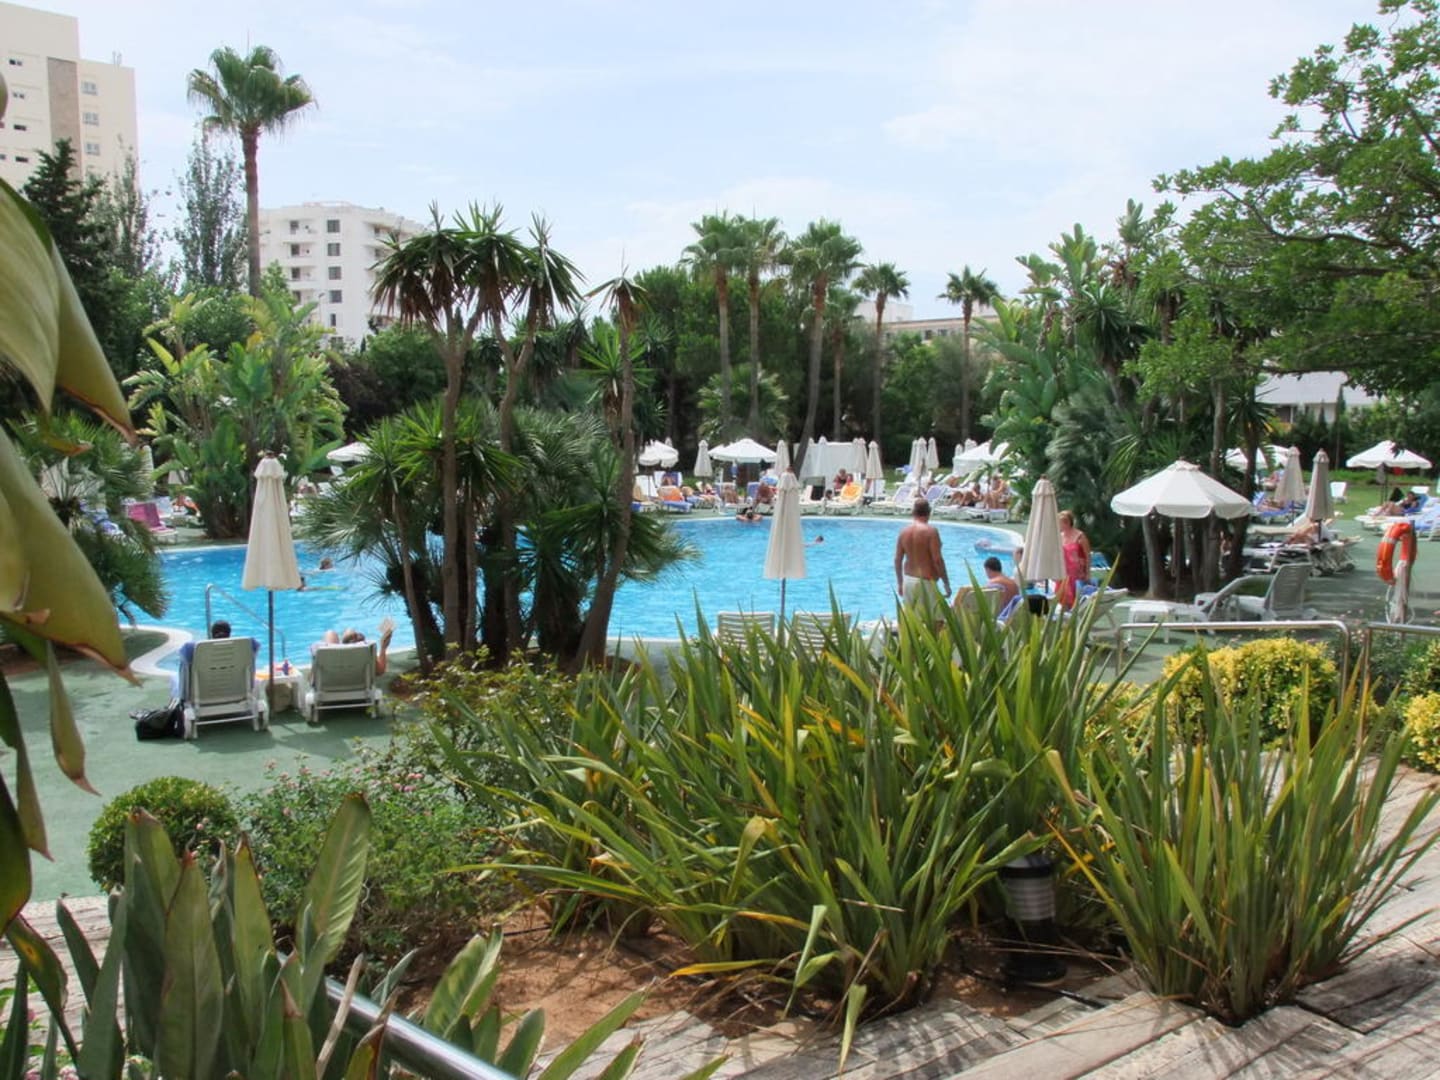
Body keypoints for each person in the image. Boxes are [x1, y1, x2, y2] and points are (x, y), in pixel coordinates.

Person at [894, 498, 950, 616]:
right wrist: (946, 583)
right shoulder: (931, 532)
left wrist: (900, 583)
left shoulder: (904, 532)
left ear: (913, 512)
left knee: (912, 620)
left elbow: (897, 560)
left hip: (908, 581)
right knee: (937, 621)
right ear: (929, 512)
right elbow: (937, 560)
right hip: (926, 582)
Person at [173, 620, 258, 697]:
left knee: (174, 678)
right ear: (229, 634)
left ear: (212, 634)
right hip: (238, 694)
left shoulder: (192, 650)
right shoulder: (245, 647)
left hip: (201, 697)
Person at [314, 617, 394, 675]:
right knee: (342, 632)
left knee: (330, 633)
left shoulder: (326, 654)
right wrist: (383, 648)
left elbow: (313, 676)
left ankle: (342, 646)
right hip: (359, 686)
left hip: (331, 685)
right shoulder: (366, 651)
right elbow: (380, 671)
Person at [1055, 510, 1092, 610]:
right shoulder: (1060, 537)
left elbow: (1088, 555)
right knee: (1063, 598)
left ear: (1066, 522)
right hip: (1064, 573)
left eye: (1059, 522)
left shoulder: (1080, 536)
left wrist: (1088, 573)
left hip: (1077, 574)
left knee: (1076, 600)